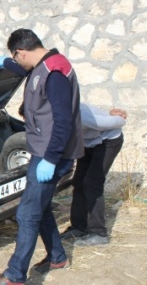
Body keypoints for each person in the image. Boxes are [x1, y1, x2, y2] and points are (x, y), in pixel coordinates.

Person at [0, 29, 84, 285]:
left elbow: (63, 121)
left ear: (22, 52)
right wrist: (6, 63)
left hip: (50, 155)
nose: (18, 64)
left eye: (16, 58)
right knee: (40, 208)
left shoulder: (54, 74)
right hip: (44, 151)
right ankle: (57, 257)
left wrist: (51, 159)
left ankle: (15, 275)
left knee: (27, 214)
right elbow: (27, 70)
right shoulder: (44, 63)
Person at [60, 103, 127, 246]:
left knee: (92, 183)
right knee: (78, 182)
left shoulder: (81, 116)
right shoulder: (53, 115)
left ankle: (99, 233)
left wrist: (119, 116)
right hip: (88, 143)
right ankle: (79, 227)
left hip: (108, 141)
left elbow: (117, 121)